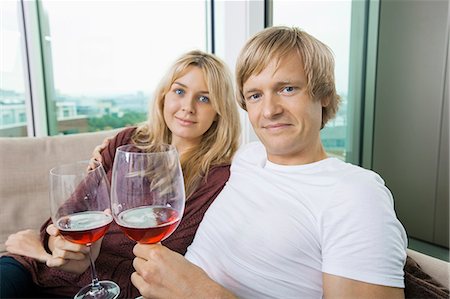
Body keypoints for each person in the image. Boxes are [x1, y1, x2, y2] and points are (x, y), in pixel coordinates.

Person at [130, 26, 408, 298]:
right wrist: (114, 147)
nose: (269, 111)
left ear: (323, 94)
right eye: (255, 95)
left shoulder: (356, 194)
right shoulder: (246, 159)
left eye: (287, 89)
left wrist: (198, 292)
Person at [1, 50, 241, 298]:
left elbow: (153, 268)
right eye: (179, 91)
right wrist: (53, 247)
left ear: (219, 110)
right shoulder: (127, 141)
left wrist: (84, 265)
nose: (187, 107)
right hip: (31, 269)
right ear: (163, 97)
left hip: (106, 289)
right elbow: (67, 216)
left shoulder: (219, 178)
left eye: (204, 99)